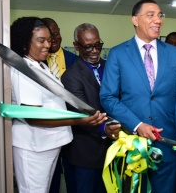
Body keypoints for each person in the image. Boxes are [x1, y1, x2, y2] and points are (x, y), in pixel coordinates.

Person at [99, 0, 176, 193]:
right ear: (135, 19)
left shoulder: (175, 55)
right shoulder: (118, 54)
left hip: (168, 143)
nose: (158, 20)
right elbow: (108, 97)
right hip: (133, 145)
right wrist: (138, 125)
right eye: (151, 15)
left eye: (160, 15)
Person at [10, 16, 107, 193]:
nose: (48, 45)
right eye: (41, 40)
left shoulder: (41, 66)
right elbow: (33, 117)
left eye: (49, 39)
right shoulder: (25, 70)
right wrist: (78, 121)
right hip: (34, 146)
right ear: (26, 41)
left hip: (47, 145)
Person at [61, 23, 121, 193]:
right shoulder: (71, 77)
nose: (95, 51)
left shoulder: (111, 67)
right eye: (88, 47)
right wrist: (105, 128)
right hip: (86, 153)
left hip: (113, 149)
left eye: (98, 45)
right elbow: (84, 113)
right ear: (76, 46)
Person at [42, 17, 78, 193]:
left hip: (74, 128)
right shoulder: (36, 63)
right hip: (47, 128)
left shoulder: (74, 60)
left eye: (56, 34)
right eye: (49, 36)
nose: (54, 39)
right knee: (51, 175)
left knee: (73, 174)